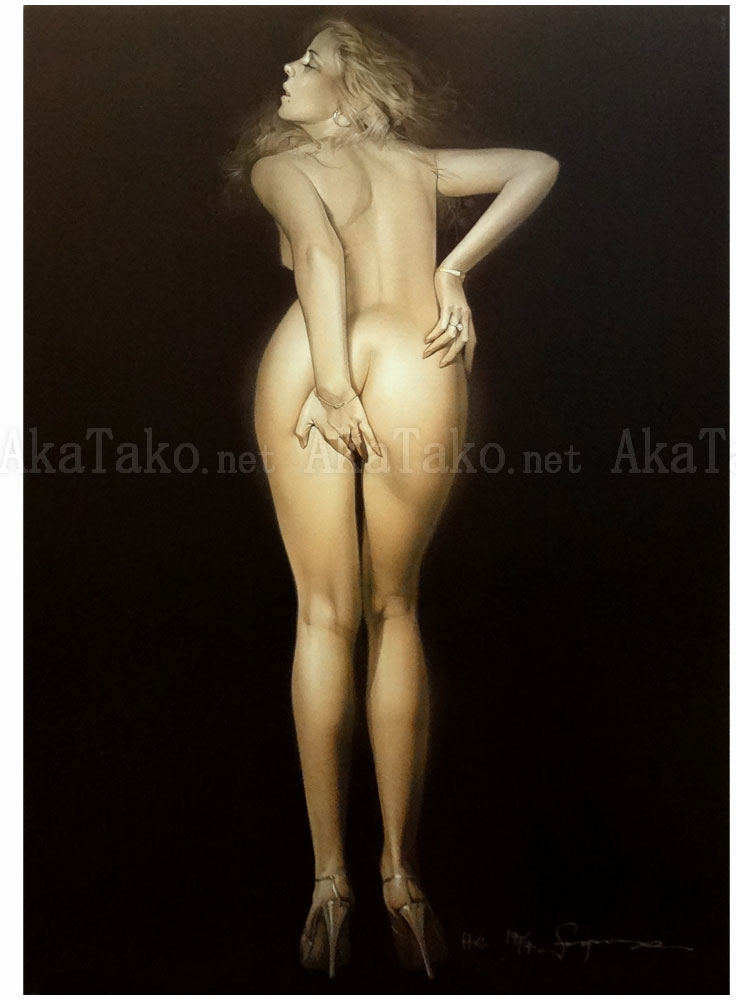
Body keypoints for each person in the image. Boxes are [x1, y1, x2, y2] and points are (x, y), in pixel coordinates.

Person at [223, 17, 559, 979]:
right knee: (395, 606)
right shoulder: (420, 167)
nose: (288, 67)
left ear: (350, 82)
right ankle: (401, 879)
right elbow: (535, 166)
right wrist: (453, 271)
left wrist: (333, 386)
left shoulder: (283, 166)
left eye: (310, 59)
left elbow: (320, 258)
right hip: (417, 355)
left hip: (315, 360)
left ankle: (329, 885)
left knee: (322, 615)